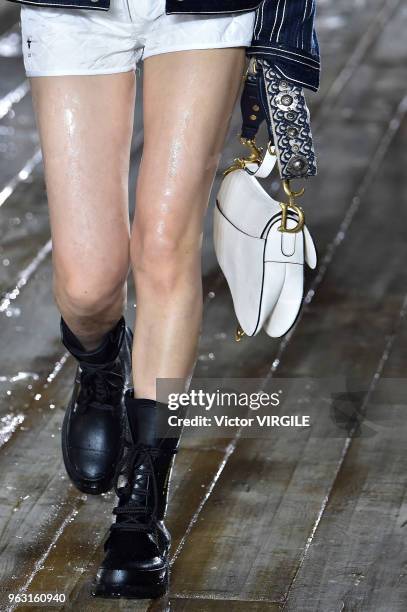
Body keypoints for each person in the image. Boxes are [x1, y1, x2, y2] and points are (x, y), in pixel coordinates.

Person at [11, 0, 320, 599]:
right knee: (88, 282)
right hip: (75, 11)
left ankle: (143, 507)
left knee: (164, 243)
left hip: (205, 11)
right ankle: (102, 366)